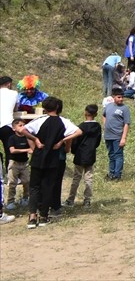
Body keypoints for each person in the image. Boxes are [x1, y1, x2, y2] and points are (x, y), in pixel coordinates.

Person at [16, 97, 80, 228]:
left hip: (39, 156)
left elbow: (23, 130)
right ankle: (44, 216)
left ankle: (32, 216)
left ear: (45, 108)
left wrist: (36, 140)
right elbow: (79, 131)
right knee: (48, 186)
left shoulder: (39, 120)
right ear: (57, 107)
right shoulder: (63, 121)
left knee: (34, 187)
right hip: (53, 157)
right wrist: (62, 141)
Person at [66, 104, 101, 207]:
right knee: (89, 178)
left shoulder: (81, 126)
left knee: (76, 177)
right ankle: (87, 200)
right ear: (96, 114)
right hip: (90, 154)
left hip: (80, 155)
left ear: (85, 113)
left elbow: (75, 141)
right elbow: (97, 141)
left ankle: (70, 199)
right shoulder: (97, 126)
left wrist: (74, 151)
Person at [102, 88, 130, 181]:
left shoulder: (124, 109)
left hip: (118, 136)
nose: (121, 99)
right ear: (113, 97)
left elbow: (126, 124)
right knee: (111, 155)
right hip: (108, 135)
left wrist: (123, 138)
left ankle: (117, 175)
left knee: (118, 155)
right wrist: (104, 125)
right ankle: (111, 173)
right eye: (119, 97)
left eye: (122, 97)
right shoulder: (108, 106)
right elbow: (104, 115)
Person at [5, 120, 32, 210]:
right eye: (20, 125)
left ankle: (25, 198)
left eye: (24, 125)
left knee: (27, 182)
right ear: (14, 128)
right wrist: (27, 150)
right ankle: (10, 201)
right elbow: (12, 150)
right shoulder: (12, 138)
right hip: (14, 163)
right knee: (12, 183)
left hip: (24, 163)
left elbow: (33, 148)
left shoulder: (27, 138)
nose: (22, 127)